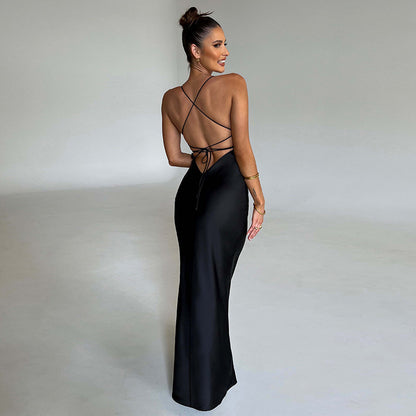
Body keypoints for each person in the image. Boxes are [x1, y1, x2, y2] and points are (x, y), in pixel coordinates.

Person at [161, 6, 266, 411]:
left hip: (190, 194)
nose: (225, 52)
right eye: (217, 45)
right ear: (195, 50)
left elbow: (175, 157)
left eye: (225, 44)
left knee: (195, 284)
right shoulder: (234, 84)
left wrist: (203, 157)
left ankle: (192, 386)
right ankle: (208, 388)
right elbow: (243, 147)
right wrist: (258, 197)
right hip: (224, 190)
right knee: (211, 287)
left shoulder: (170, 99)